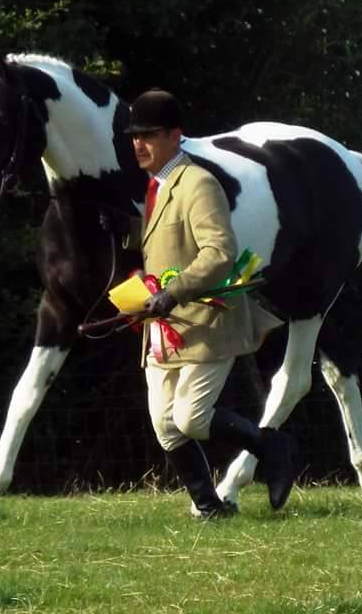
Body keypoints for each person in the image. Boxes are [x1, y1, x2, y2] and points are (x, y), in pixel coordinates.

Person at [119, 88, 300, 519]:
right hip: (164, 325)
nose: (138, 144)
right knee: (165, 426)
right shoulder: (155, 187)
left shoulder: (197, 183)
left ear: (176, 136)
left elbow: (219, 252)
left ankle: (273, 446)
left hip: (206, 320)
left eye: (149, 135)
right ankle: (210, 507)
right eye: (135, 136)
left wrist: (173, 291)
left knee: (191, 419)